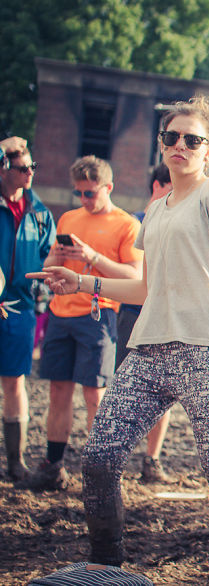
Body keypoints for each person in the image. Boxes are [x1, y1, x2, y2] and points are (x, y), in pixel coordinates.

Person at [27, 96, 209, 584]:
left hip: (203, 347)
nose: (180, 145)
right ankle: (108, 566)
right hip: (147, 349)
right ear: (162, 145)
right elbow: (145, 287)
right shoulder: (155, 211)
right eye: (171, 137)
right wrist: (79, 282)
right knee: (99, 460)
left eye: (192, 139)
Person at [25, 155, 143, 491]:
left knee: (95, 394)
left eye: (90, 192)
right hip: (60, 313)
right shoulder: (69, 217)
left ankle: (98, 474)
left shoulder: (127, 224)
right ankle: (53, 465)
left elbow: (135, 276)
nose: (84, 199)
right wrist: (49, 270)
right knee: (58, 392)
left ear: (109, 188)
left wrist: (93, 257)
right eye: (79, 193)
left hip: (98, 314)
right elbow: (53, 259)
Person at [0, 136, 55, 481]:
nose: (29, 173)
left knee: (15, 382)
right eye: (22, 168)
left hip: (20, 307)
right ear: (5, 168)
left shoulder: (40, 213)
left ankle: (15, 462)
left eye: (32, 167)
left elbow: (49, 259)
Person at [115, 163, 174, 484]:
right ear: (157, 184)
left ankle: (151, 460)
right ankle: (118, 457)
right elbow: (135, 277)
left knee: (164, 392)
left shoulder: (182, 218)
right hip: (134, 312)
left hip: (166, 314)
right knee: (126, 387)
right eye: (170, 186)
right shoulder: (136, 221)